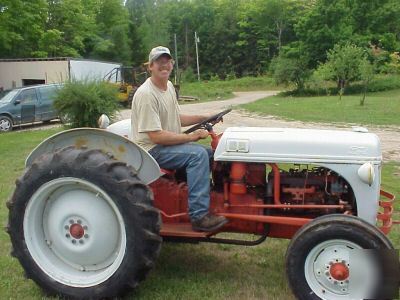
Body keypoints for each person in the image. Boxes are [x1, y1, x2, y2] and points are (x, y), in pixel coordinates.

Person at [131, 46, 228, 232]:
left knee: (209, 153)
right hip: (150, 150)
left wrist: (205, 118)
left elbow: (176, 118)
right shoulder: (146, 94)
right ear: (150, 66)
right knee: (197, 155)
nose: (164, 65)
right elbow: (156, 136)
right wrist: (190, 137)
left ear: (172, 64)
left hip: (162, 145)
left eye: (167, 61)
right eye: (159, 62)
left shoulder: (168, 88)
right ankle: (199, 216)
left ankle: (208, 197)